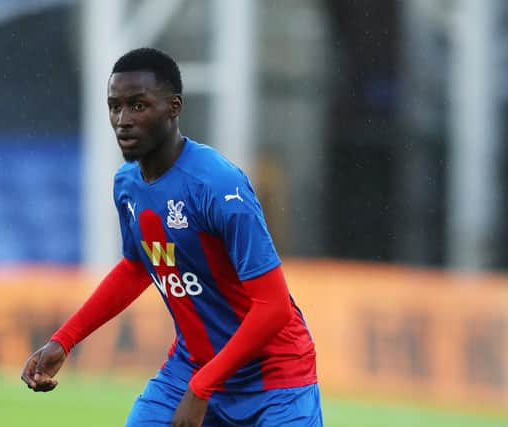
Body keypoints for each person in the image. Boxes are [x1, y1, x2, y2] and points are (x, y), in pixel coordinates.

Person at [21, 47, 322, 427]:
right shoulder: (127, 185)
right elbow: (136, 267)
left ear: (173, 107)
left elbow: (274, 307)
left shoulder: (217, 185)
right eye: (115, 106)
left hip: (274, 378)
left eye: (138, 106)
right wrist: (65, 340)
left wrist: (201, 389)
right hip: (193, 366)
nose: (123, 120)